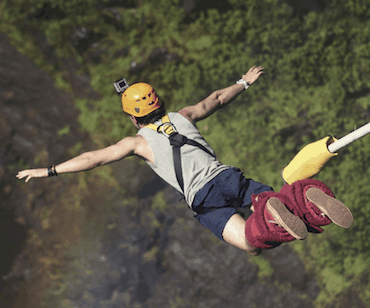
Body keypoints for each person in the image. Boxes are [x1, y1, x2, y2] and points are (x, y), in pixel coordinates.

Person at [16, 66, 353, 256]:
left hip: (203, 200)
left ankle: (270, 215)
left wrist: (49, 170)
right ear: (159, 104)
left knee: (252, 242)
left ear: (133, 119)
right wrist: (243, 82)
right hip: (228, 178)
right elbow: (217, 99)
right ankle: (304, 199)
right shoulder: (184, 115)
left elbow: (93, 159)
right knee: (278, 203)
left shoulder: (135, 143)